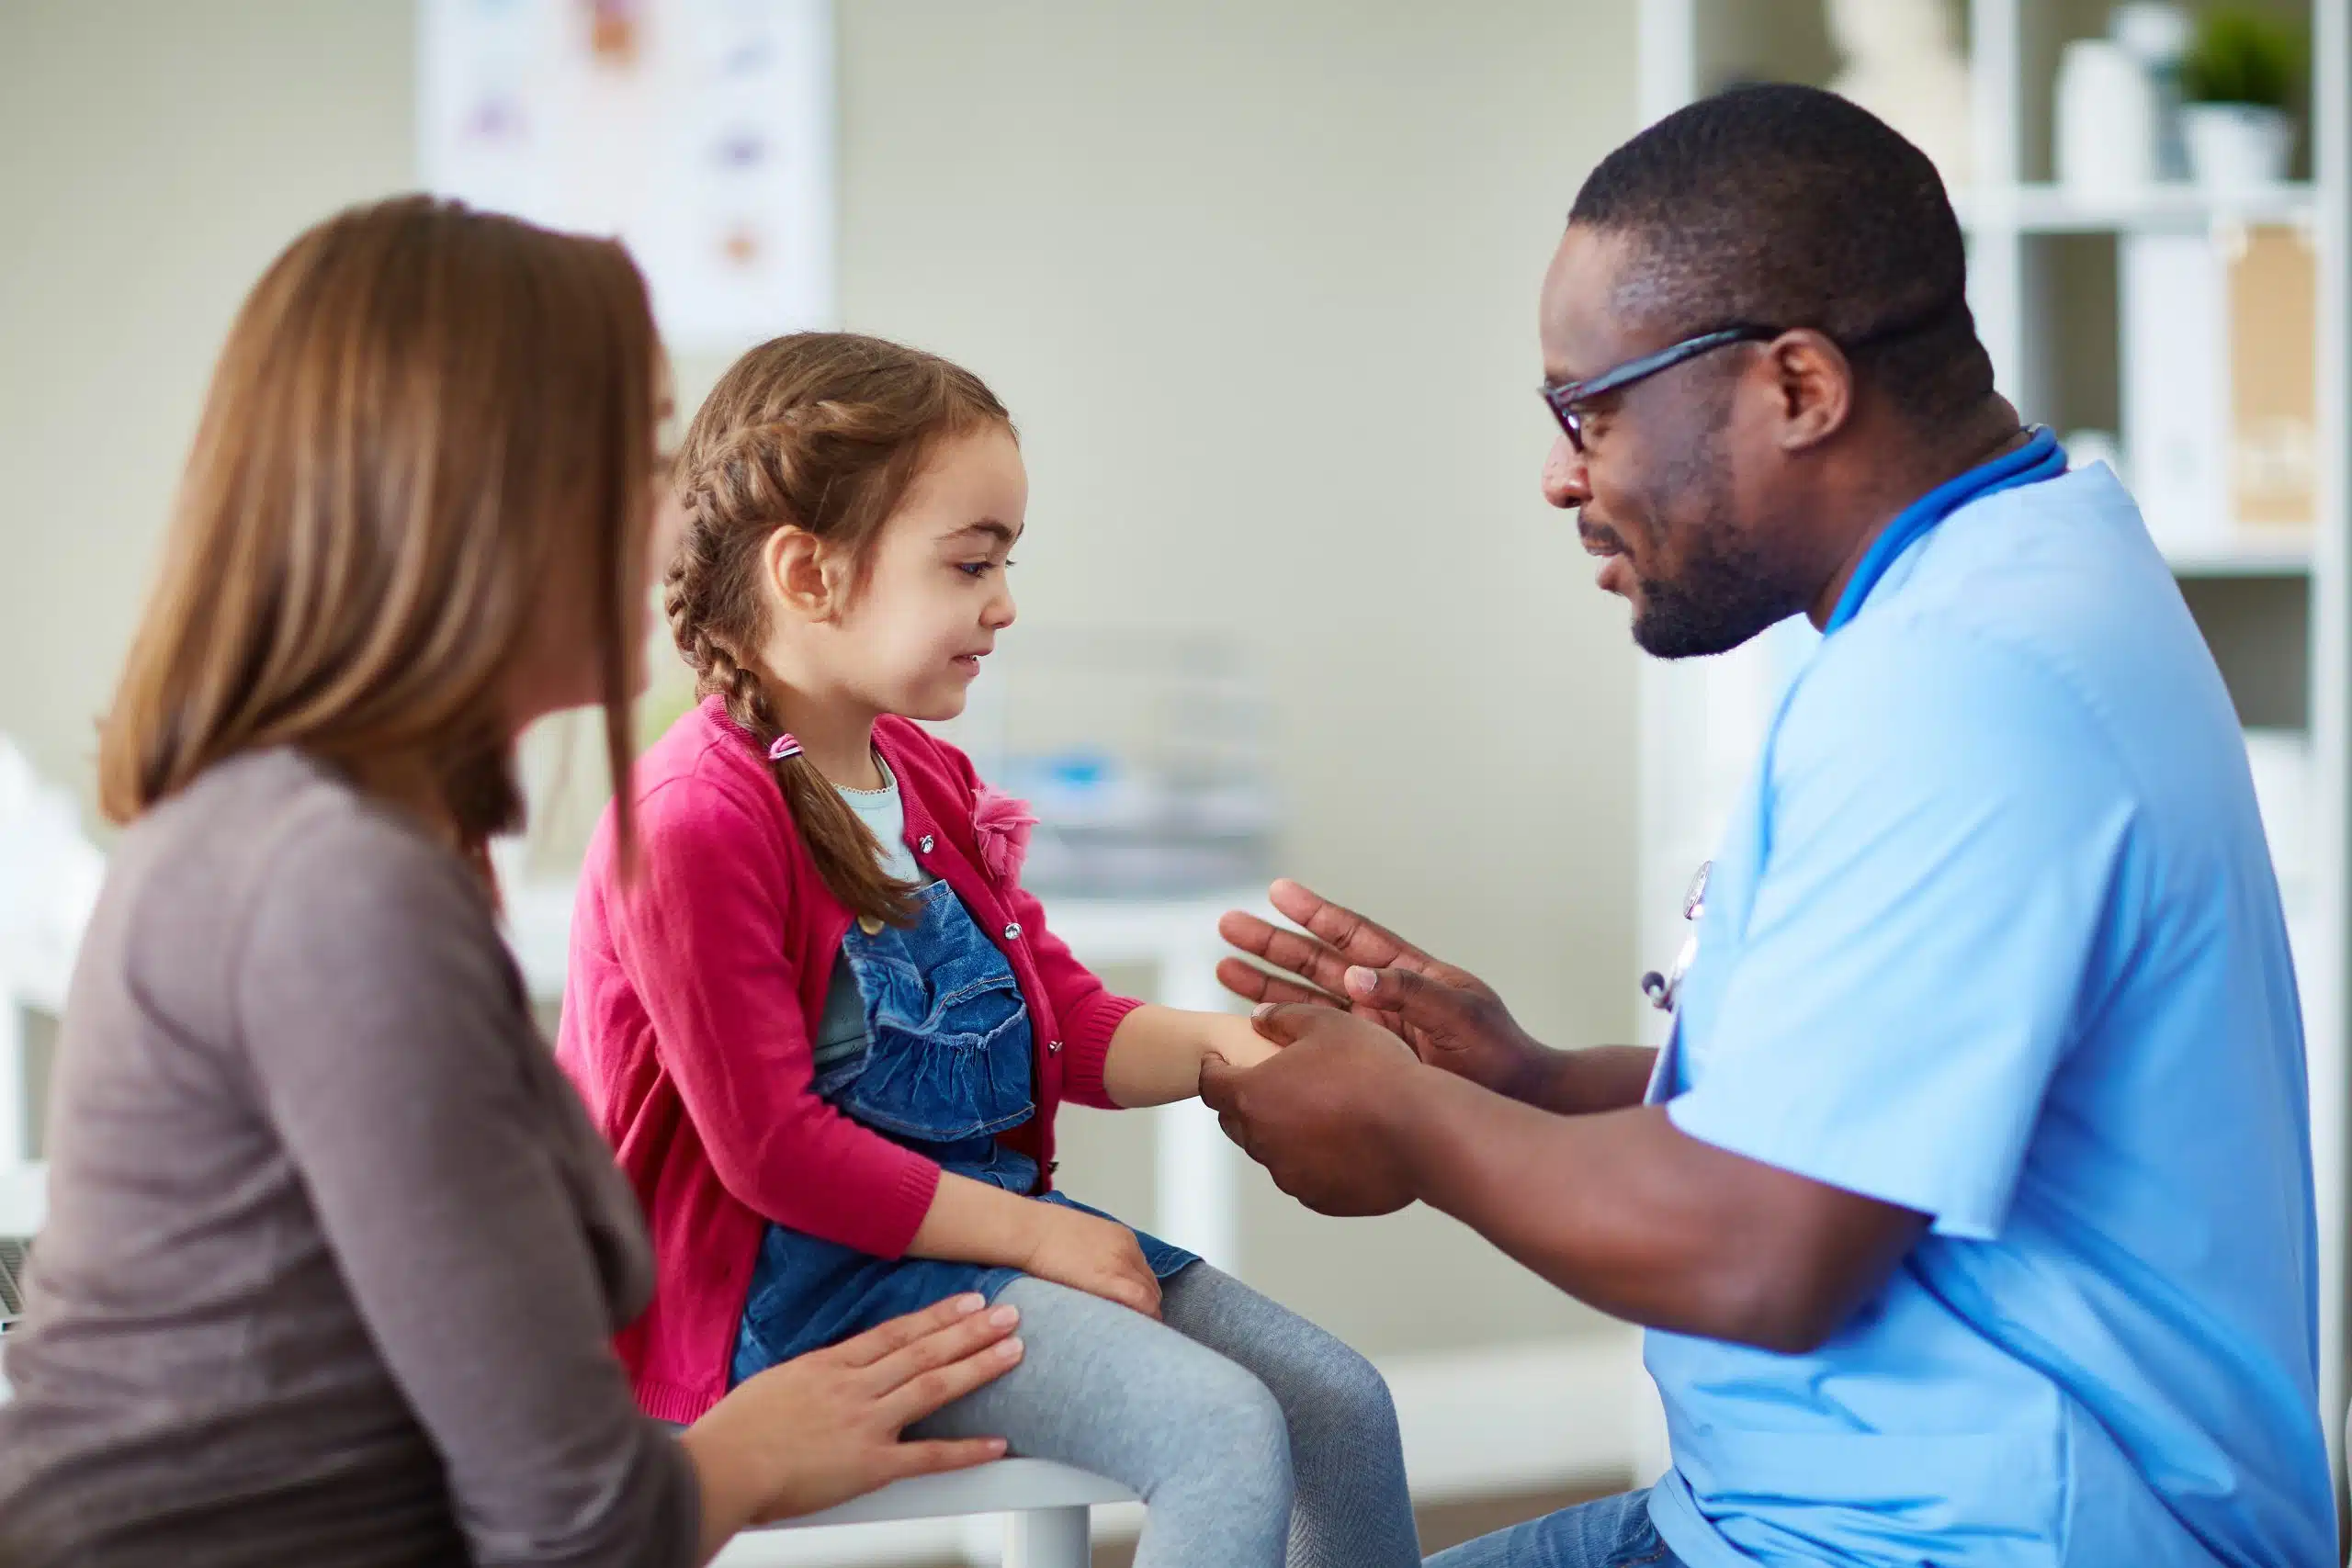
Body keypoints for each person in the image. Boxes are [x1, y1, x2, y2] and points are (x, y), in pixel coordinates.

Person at [1204, 84, 2336, 1568]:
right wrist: (1530, 1081)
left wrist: (1412, 1122)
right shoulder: (2005, 572)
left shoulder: (1966, 686)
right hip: (1803, 1513)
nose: (1562, 474)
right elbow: (1856, 1115)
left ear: (1798, 387)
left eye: (1590, 410)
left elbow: (1765, 1249)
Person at [0, 198, 1032, 1568]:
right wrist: (740, 1452)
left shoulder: (333, 839)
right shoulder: (338, 894)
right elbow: (577, 1525)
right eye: (649, 456)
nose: (681, 519)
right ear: (476, 490)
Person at [556, 331, 1420, 1568]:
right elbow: (772, 1151)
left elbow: (1059, 1020)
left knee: (1339, 1405)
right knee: (1221, 1429)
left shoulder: (922, 774)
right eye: (972, 563)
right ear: (812, 572)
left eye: (1006, 562)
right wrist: (1042, 1235)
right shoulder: (694, 818)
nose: (1004, 604)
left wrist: (1257, 1049)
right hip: (793, 1295)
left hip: (965, 1238)